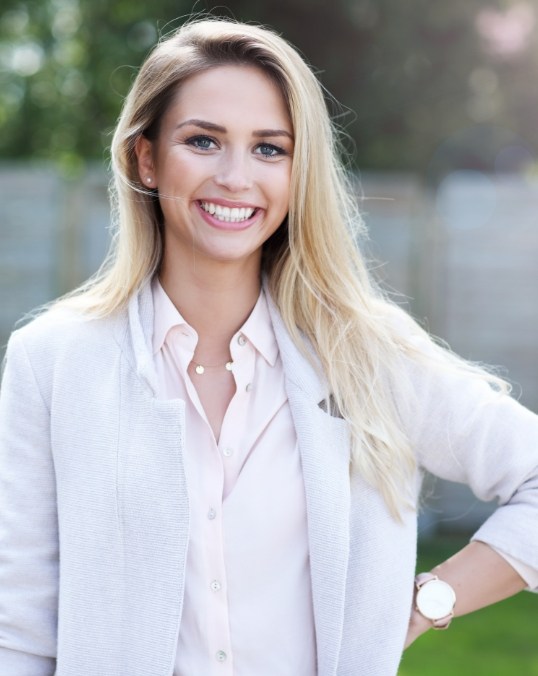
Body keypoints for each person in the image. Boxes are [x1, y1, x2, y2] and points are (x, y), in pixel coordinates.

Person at [0, 17, 537, 676]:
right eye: (203, 141)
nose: (235, 177)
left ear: (297, 168)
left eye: (269, 149)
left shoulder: (366, 353)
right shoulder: (50, 362)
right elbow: (20, 627)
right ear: (145, 157)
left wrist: (429, 600)